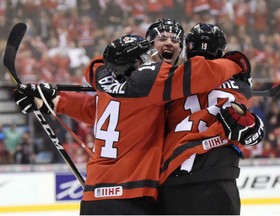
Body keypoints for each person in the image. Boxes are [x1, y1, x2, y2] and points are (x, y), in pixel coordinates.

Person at [13, 34, 250, 215]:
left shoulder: (106, 82)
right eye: (146, 57)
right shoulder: (148, 84)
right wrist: (236, 64)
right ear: (136, 64)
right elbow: (198, 74)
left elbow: (90, 103)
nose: (152, 59)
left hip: (94, 196)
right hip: (132, 195)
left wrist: (51, 100)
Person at [156, 22, 264, 215]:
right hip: (219, 180)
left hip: (173, 179)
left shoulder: (169, 83)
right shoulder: (242, 86)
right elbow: (246, 128)